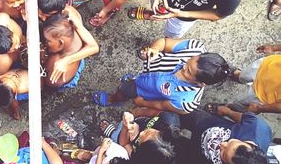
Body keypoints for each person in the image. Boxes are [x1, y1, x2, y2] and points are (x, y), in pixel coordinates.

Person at [93, 38, 230, 115]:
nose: (183, 66)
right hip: (147, 74)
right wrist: (154, 49)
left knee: (124, 90)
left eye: (188, 72)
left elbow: (161, 105)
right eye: (190, 60)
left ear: (201, 84)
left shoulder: (187, 102)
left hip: (144, 92)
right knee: (134, 80)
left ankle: (113, 99)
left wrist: (142, 103)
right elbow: (164, 43)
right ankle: (133, 81)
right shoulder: (195, 47)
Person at [175, 109, 272, 164]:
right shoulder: (257, 127)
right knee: (178, 111)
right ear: (252, 146)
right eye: (231, 142)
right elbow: (243, 118)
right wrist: (227, 112)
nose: (222, 144)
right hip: (205, 122)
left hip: (195, 158)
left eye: (223, 154)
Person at [206, 44, 281, 115]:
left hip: (266, 96)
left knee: (244, 106)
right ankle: (235, 74)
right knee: (242, 75)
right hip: (267, 66)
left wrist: (260, 108)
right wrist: (274, 48)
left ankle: (227, 109)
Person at [100, 111, 181, 164]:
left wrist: (125, 126)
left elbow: (124, 144)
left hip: (126, 135)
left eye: (140, 140)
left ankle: (113, 133)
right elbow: (153, 111)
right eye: (148, 132)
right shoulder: (168, 121)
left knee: (115, 139)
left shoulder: (141, 159)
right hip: (136, 121)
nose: (141, 133)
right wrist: (136, 114)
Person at [43, 14, 91, 89]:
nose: (45, 43)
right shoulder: (73, 32)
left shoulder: (56, 63)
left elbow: (49, 82)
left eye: (48, 41)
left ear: (61, 43)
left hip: (63, 81)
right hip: (78, 61)